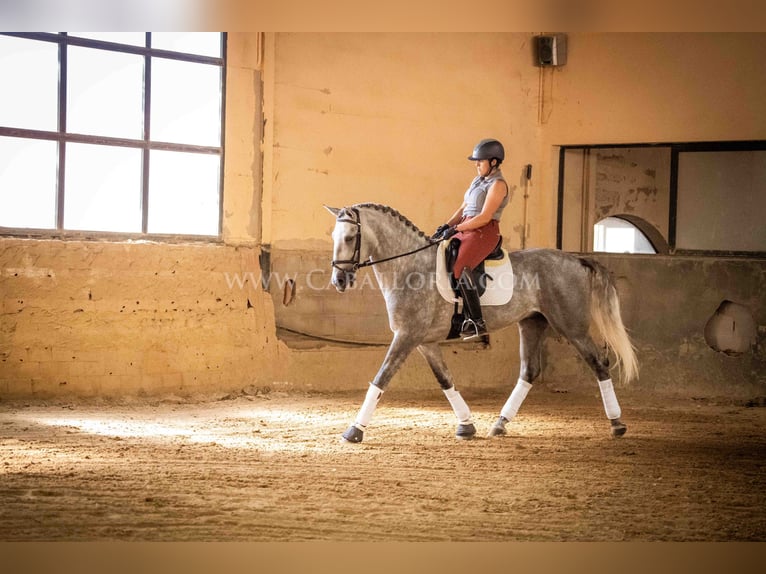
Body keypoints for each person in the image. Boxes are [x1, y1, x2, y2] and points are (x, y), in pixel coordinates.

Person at [432, 138, 509, 340]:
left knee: (460, 266)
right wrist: (447, 226)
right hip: (467, 226)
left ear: (493, 162)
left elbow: (484, 217)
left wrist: (456, 228)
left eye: (480, 161)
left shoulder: (498, 185)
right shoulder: (477, 181)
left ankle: (476, 321)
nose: (476, 164)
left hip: (484, 231)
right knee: (437, 251)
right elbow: (463, 208)